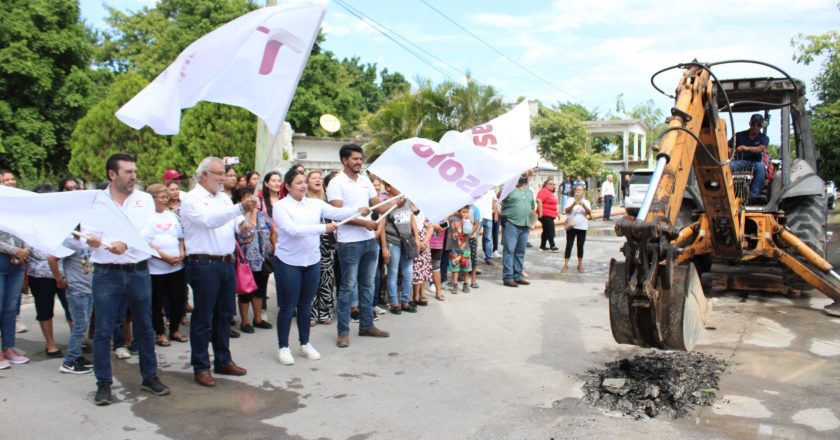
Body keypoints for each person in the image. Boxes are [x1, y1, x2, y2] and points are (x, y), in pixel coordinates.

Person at [84, 153, 169, 405]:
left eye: (134, 171)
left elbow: (147, 229)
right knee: (103, 331)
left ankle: (150, 376)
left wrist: (125, 243)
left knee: (144, 326)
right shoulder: (97, 201)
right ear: (112, 174)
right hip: (106, 274)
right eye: (128, 172)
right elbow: (88, 233)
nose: (134, 176)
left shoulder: (143, 200)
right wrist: (90, 240)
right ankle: (104, 384)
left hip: (137, 271)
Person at [272, 169, 367, 365]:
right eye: (298, 183)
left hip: (312, 260)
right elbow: (293, 230)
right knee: (288, 306)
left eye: (303, 182)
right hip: (289, 262)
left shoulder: (315, 204)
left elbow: (336, 212)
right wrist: (323, 228)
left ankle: (305, 343)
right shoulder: (280, 207)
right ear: (288, 186)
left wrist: (358, 210)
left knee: (306, 305)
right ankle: (283, 347)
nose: (303, 186)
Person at [180, 157, 256, 387]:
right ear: (204, 175)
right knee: (204, 317)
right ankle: (201, 366)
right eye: (218, 173)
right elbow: (210, 221)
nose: (223, 178)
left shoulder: (224, 199)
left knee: (224, 314)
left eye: (224, 173)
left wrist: (244, 225)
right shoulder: (191, 199)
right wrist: (239, 208)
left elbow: (234, 225)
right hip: (203, 264)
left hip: (225, 262)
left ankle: (223, 359)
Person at [327, 144, 398, 348]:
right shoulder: (336, 183)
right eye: (355, 159)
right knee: (348, 287)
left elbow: (378, 205)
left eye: (360, 158)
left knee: (369, 284)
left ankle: (367, 325)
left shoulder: (365, 180)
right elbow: (337, 215)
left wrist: (395, 204)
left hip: (369, 242)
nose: (359, 162)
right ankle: (343, 331)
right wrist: (364, 223)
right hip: (349, 243)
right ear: (344, 160)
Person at [141, 184, 187, 346]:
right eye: (162, 197)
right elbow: (147, 243)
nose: (166, 200)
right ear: (152, 199)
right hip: (156, 268)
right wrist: (166, 257)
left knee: (177, 299)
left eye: (166, 197)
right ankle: (160, 332)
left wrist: (181, 252)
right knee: (156, 302)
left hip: (176, 266)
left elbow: (180, 237)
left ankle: (174, 329)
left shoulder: (171, 215)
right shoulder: (146, 217)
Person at [49, 227, 94, 374]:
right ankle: (69, 361)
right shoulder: (69, 242)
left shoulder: (86, 242)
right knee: (80, 326)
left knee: (83, 325)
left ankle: (77, 356)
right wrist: (59, 279)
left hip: (88, 290)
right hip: (77, 291)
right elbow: (52, 259)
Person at [233, 186, 274, 334]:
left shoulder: (262, 215)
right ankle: (244, 321)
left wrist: (273, 249)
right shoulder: (237, 218)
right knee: (245, 291)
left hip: (263, 258)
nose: (251, 199)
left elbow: (273, 230)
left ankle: (258, 319)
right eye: (246, 197)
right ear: (239, 201)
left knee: (260, 291)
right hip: (245, 261)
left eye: (253, 196)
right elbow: (238, 236)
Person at [378, 182, 419, 314]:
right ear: (388, 188)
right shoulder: (385, 204)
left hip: (407, 242)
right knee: (393, 273)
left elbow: (412, 219)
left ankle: (405, 302)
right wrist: (384, 246)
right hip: (392, 242)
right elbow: (382, 227)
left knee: (408, 273)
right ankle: (394, 303)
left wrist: (416, 237)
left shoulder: (406, 201)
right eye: (397, 185)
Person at [306, 170, 337, 325]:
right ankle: (310, 313)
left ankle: (325, 312)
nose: (317, 180)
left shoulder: (327, 201)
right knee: (310, 279)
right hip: (310, 244)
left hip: (326, 245)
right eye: (314, 178)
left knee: (326, 278)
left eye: (320, 178)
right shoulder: (303, 201)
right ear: (307, 182)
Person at [0, 228, 30, 369]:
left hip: (17, 263)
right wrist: (15, 250)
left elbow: (28, 232)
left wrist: (25, 250)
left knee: (11, 309)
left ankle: (8, 347)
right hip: (4, 257)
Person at [501, 172, 535, 288]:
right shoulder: (509, 190)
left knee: (520, 252)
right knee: (509, 251)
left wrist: (532, 223)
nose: (523, 177)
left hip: (525, 225)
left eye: (525, 176)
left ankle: (518, 276)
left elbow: (532, 209)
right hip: (511, 223)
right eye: (521, 175)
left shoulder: (530, 192)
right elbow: (498, 200)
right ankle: (508, 277)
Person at [731, 114, 770, 200]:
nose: (755, 127)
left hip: (755, 163)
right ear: (750, 123)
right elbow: (727, 146)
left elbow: (760, 148)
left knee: (761, 167)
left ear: (761, 126)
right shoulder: (739, 135)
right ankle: (728, 192)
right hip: (740, 162)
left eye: (758, 125)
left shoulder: (763, 138)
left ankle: (754, 195)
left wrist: (745, 148)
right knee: (728, 166)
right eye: (753, 124)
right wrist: (731, 151)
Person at [563, 185, 592, 273]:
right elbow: (566, 210)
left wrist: (583, 205)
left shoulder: (586, 201)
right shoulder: (570, 200)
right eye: (577, 190)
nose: (578, 192)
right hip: (572, 226)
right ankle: (566, 264)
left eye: (580, 190)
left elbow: (589, 213)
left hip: (582, 226)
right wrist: (573, 204)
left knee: (580, 245)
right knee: (569, 245)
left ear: (584, 191)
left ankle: (580, 265)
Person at [446, 206, 473, 294]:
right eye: (463, 212)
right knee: (455, 268)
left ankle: (466, 284)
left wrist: (465, 222)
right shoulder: (452, 219)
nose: (465, 214)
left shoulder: (468, 220)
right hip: (454, 248)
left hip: (465, 248)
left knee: (466, 268)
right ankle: (455, 285)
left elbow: (468, 233)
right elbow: (444, 224)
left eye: (467, 212)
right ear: (458, 211)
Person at [411, 206, 433, 306]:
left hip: (425, 244)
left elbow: (430, 227)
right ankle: (414, 296)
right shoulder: (408, 209)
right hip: (413, 243)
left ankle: (421, 294)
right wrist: (418, 243)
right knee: (415, 270)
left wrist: (424, 242)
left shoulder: (426, 210)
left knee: (424, 269)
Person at [536, 178, 559, 252]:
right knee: (550, 230)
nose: (552, 185)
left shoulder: (550, 192)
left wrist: (557, 213)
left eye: (553, 184)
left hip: (550, 214)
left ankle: (542, 246)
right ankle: (552, 246)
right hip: (545, 214)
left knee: (546, 230)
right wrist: (540, 212)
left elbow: (553, 204)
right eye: (550, 184)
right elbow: (539, 200)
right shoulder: (544, 191)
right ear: (546, 185)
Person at [475, 189, 497, 265]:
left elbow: (494, 201)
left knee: (488, 238)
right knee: (474, 238)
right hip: (478, 217)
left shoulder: (491, 189)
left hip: (488, 216)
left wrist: (496, 213)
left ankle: (489, 258)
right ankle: (473, 258)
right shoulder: (478, 186)